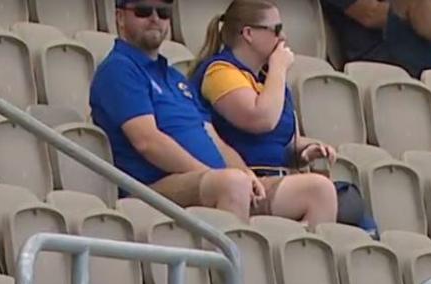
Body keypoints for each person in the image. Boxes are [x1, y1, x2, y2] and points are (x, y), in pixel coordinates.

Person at [90, 0, 334, 224]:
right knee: (232, 184)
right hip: (153, 186)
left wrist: (246, 174)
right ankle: (233, 270)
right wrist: (212, 174)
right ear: (120, 17)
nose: (155, 18)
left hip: (215, 181)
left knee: (319, 191)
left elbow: (213, 137)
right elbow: (147, 142)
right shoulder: (119, 69)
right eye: (144, 11)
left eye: (163, 12)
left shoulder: (174, 77)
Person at [190, 0, 338, 227]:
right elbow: (261, 119)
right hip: (247, 180)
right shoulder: (220, 71)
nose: (283, 37)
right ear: (248, 34)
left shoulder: (267, 80)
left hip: (279, 177)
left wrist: (306, 149)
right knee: (319, 191)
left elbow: (285, 139)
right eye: (276, 30)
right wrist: (279, 68)